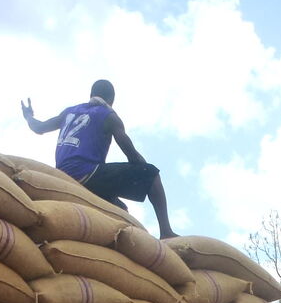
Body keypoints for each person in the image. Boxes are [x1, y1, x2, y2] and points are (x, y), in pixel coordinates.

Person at [20, 79, 178, 239]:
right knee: (151, 173)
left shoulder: (69, 112)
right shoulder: (108, 116)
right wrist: (144, 168)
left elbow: (38, 128)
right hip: (87, 173)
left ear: (90, 95)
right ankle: (166, 232)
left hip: (63, 176)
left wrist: (28, 116)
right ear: (112, 100)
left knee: (120, 211)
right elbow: (132, 155)